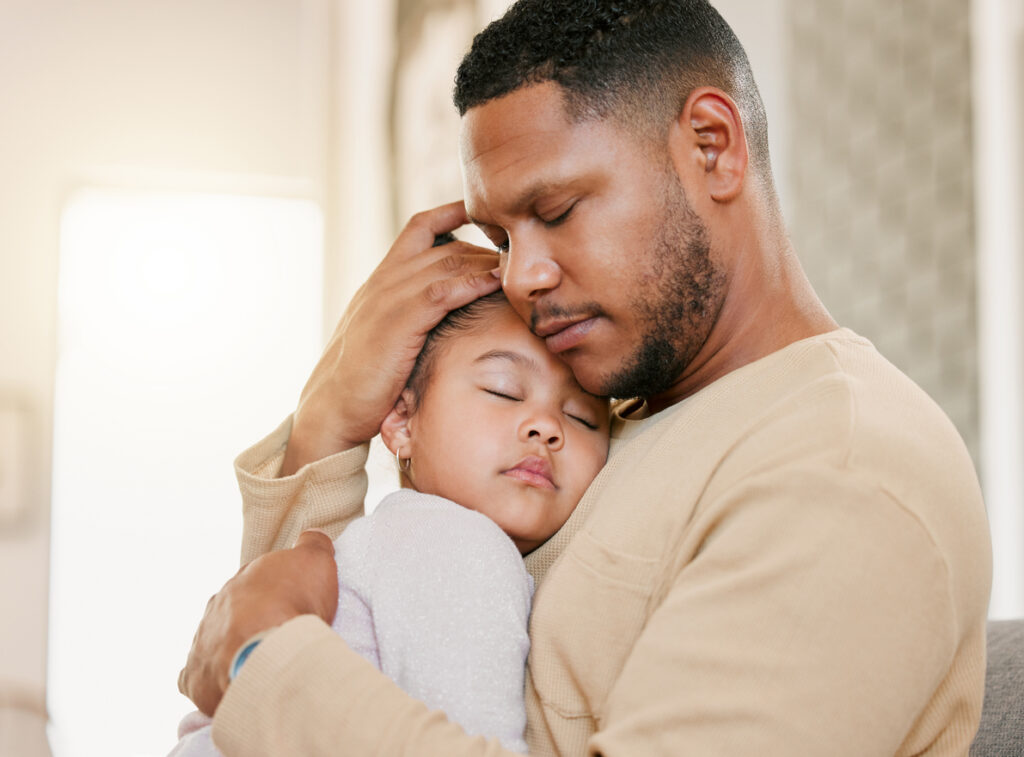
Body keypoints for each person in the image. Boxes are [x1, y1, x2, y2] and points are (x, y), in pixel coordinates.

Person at [179, 1, 993, 755]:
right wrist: (330, 423)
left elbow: (264, 666)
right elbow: (339, 641)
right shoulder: (612, 404)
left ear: (712, 146)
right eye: (500, 232)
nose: (523, 275)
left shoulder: (842, 465)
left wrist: (267, 664)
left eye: (559, 210)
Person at [169, 290, 611, 755]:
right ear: (402, 421)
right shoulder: (458, 542)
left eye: (582, 417)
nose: (545, 426)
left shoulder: (381, 539)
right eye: (503, 389)